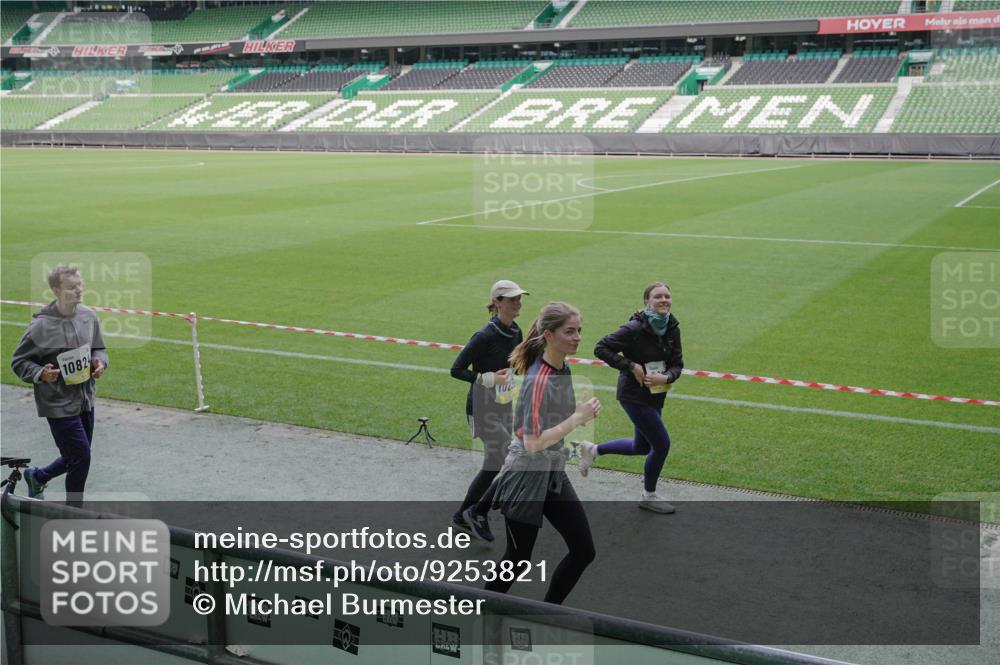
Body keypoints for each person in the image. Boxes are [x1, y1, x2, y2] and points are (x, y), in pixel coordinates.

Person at [485, 302, 600, 605]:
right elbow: (533, 442)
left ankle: (548, 614)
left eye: (579, 330)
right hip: (525, 476)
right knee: (518, 561)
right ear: (549, 335)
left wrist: (578, 414)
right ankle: (479, 614)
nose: (577, 337)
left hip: (550, 472)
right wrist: (577, 418)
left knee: (583, 550)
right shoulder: (539, 380)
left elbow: (553, 425)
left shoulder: (563, 367)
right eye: (569, 331)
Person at [578, 282, 682, 514]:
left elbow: (678, 364)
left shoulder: (672, 327)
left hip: (656, 395)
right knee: (661, 444)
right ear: (647, 301)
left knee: (642, 446)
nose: (664, 300)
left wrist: (665, 378)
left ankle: (593, 450)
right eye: (658, 297)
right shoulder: (634, 328)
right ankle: (649, 495)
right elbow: (601, 347)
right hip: (633, 395)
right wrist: (631, 365)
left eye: (667, 296)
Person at [11, 265, 109, 507]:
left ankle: (38, 476)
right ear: (56, 290)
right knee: (81, 457)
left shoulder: (88, 316)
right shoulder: (41, 327)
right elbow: (19, 361)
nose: (78, 290)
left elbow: (99, 348)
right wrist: (40, 374)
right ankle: (74, 513)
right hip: (56, 403)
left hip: (85, 399)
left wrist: (100, 362)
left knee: (74, 457)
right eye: (71, 287)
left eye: (79, 285)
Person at [450, 279, 527, 542]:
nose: (518, 302)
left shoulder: (515, 331)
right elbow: (456, 369)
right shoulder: (484, 336)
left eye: (519, 297)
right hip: (482, 407)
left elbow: (515, 362)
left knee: (499, 461)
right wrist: (489, 379)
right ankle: (476, 512)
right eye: (512, 298)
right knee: (499, 458)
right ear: (497, 303)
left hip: (504, 404)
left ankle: (465, 514)